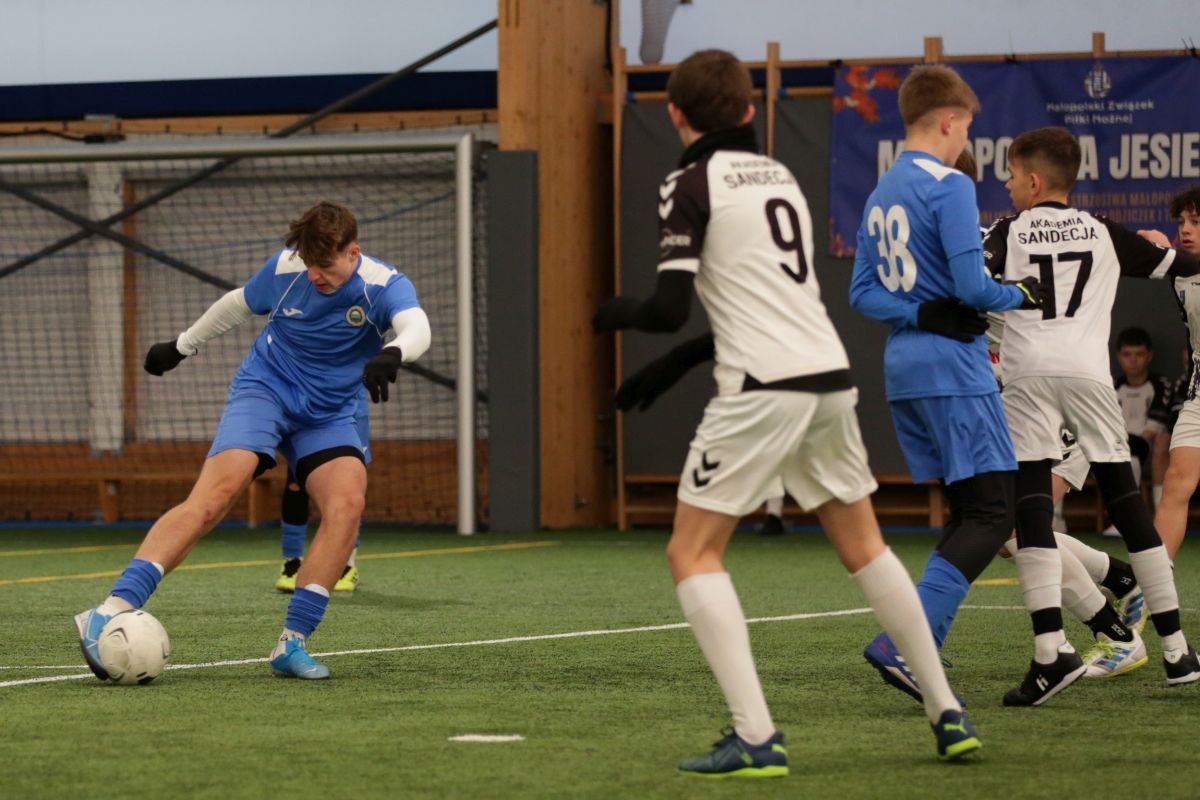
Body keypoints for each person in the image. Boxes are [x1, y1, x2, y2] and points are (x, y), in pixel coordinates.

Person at [594, 49, 980, 776]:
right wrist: (680, 363)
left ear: (675, 115)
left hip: (762, 386)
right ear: (748, 110)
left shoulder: (688, 182)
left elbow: (668, 307)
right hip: (827, 377)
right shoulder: (779, 176)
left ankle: (757, 735)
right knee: (866, 547)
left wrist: (618, 314)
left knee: (691, 553)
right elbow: (761, 300)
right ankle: (946, 710)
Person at [74, 201, 431, 680]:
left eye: (325, 266)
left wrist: (394, 352)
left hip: (328, 413)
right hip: (266, 392)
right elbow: (238, 303)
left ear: (353, 252)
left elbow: (416, 325)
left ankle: (292, 644)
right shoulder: (287, 270)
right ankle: (109, 610)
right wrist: (181, 346)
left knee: (347, 505)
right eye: (309, 264)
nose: (315, 276)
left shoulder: (383, 285)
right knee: (215, 497)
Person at [847, 65, 1050, 704]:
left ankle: (917, 642)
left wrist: (918, 314)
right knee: (994, 512)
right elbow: (971, 288)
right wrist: (1020, 294)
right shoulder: (951, 185)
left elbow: (862, 293)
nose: (967, 140)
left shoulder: (881, 191)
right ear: (949, 120)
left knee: (969, 512)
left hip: (905, 370)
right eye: (967, 128)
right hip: (954, 370)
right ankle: (904, 644)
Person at [987, 127, 1200, 695]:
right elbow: (1181, 264)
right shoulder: (1104, 230)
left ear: (1034, 181)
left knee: (1032, 512)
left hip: (1028, 378)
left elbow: (966, 283)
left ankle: (1049, 653)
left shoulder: (1005, 232)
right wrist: (1163, 248)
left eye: (1012, 175)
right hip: (1088, 376)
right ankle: (1178, 652)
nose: (1008, 185)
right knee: (1128, 506)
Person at [276, 388, 370, 594]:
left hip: (350, 407)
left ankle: (347, 566)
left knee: (350, 485)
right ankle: (291, 563)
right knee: (295, 482)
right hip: (304, 406)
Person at [1155, 186, 1200, 558]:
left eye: (1196, 222)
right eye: (1183, 221)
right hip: (1199, 396)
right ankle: (1152, 584)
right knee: (1176, 480)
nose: (1186, 229)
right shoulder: (1179, 273)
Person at [1106, 327, 1173, 535]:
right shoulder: (1113, 386)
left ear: (1149, 356)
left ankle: (1140, 519)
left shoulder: (1160, 385)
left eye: (1139, 354)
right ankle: (1123, 519)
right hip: (1118, 445)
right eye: (1127, 354)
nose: (1133, 360)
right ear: (1118, 357)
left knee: (1131, 450)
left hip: (1148, 446)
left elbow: (1154, 428)